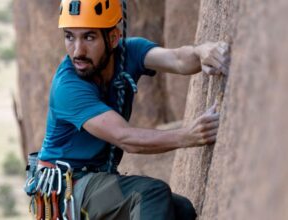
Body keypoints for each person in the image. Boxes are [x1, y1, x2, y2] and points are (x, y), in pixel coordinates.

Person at [26, 0, 230, 219]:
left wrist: (202, 52)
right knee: (150, 194)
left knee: (181, 210)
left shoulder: (129, 52)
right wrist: (187, 136)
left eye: (89, 37)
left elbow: (178, 60)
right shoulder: (68, 87)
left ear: (113, 37)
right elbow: (126, 138)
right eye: (69, 36)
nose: (78, 51)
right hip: (68, 189)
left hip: (90, 183)